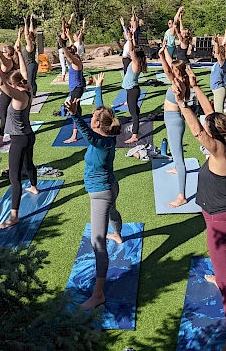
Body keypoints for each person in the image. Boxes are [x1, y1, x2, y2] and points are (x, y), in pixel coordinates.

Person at [171, 67, 226, 351]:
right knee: (219, 263)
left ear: (214, 132)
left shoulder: (219, 152)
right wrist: (195, 87)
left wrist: (181, 103)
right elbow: (209, 115)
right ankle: (217, 271)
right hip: (216, 216)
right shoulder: (225, 143)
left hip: (220, 221)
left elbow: (197, 129)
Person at [64, 73, 123, 310]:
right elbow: (101, 109)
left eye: (94, 117)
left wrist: (75, 115)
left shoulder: (102, 141)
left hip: (101, 193)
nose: (93, 115)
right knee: (113, 212)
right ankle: (118, 234)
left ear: (98, 124)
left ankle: (98, 294)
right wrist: (98, 88)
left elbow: (86, 132)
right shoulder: (105, 134)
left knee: (97, 241)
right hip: (110, 187)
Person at [0, 43, 38, 229]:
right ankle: (34, 186)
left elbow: (1, 84)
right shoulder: (28, 89)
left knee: (14, 178)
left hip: (19, 140)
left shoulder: (19, 96)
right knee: (29, 164)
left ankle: (14, 216)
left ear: (14, 85)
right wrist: (18, 54)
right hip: (28, 136)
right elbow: (23, 73)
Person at [158, 44, 191, 208]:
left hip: (175, 122)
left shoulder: (179, 84)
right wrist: (162, 55)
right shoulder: (179, 78)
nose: (171, 71)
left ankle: (182, 196)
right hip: (171, 120)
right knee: (177, 156)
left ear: (178, 71)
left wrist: (163, 57)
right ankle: (178, 171)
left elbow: (168, 72)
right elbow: (168, 69)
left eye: (173, 69)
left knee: (179, 159)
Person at [0, 32, 22, 148]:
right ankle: (12, 133)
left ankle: (1, 138)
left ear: (7, 54)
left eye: (4, 51)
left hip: (7, 91)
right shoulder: (12, 60)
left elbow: (2, 57)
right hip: (9, 90)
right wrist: (18, 36)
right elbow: (14, 47)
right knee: (8, 113)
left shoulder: (7, 62)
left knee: (3, 114)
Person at [121, 28, 147, 144]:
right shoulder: (137, 62)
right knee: (134, 110)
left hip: (133, 90)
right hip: (131, 90)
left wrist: (130, 38)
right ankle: (135, 131)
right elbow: (134, 49)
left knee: (134, 114)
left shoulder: (136, 63)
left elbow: (131, 50)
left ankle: (134, 135)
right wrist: (131, 39)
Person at [62, 43, 84, 144]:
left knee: (75, 111)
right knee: (77, 110)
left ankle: (74, 136)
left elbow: (68, 56)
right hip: (75, 89)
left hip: (76, 89)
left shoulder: (76, 61)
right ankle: (80, 129)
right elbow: (68, 56)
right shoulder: (75, 59)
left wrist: (62, 45)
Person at [210, 35, 226, 113]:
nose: (214, 53)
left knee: (219, 112)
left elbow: (218, 53)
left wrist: (216, 43)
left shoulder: (222, 63)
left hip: (219, 90)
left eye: (214, 51)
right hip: (216, 90)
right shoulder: (218, 63)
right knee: (217, 111)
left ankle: (222, 125)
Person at [22, 14, 38, 96]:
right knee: (32, 80)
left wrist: (25, 23)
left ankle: (31, 95)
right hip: (31, 64)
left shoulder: (30, 45)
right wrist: (31, 21)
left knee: (30, 81)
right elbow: (31, 32)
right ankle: (33, 93)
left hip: (30, 65)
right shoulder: (32, 43)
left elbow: (27, 35)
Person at [57, 13, 74, 83]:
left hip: (61, 50)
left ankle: (63, 78)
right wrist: (71, 17)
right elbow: (69, 25)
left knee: (63, 65)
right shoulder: (67, 33)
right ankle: (72, 75)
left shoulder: (64, 34)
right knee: (69, 64)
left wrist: (63, 21)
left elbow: (64, 28)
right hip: (65, 50)